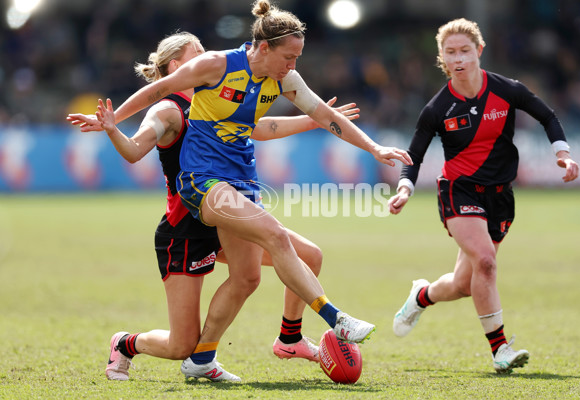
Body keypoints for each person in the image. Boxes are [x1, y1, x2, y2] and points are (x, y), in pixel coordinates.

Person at [67, 31, 362, 382]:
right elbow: (133, 151)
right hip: (186, 228)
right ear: (176, 66)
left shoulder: (216, 99)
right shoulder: (168, 109)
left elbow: (258, 128)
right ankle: (126, 343)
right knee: (181, 344)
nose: (208, 57)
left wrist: (317, 118)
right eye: (198, 53)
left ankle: (288, 338)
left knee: (304, 256)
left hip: (226, 211)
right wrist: (113, 129)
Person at [388, 18, 580, 374]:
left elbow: (547, 116)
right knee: (487, 262)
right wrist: (404, 187)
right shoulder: (437, 108)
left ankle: (421, 296)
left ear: (479, 50)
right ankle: (500, 349)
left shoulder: (507, 90)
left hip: (500, 197)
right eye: (450, 53)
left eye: (464, 51)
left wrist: (562, 153)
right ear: (441, 58)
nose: (458, 58)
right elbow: (414, 155)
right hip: (458, 191)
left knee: (465, 283)